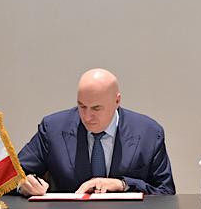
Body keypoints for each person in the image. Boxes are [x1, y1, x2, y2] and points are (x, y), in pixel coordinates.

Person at [17, 68, 175, 196]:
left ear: (117, 101)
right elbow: (9, 177)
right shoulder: (53, 129)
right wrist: (23, 184)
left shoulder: (149, 134)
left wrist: (123, 184)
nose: (87, 117)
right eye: (82, 106)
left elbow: (165, 193)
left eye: (96, 108)